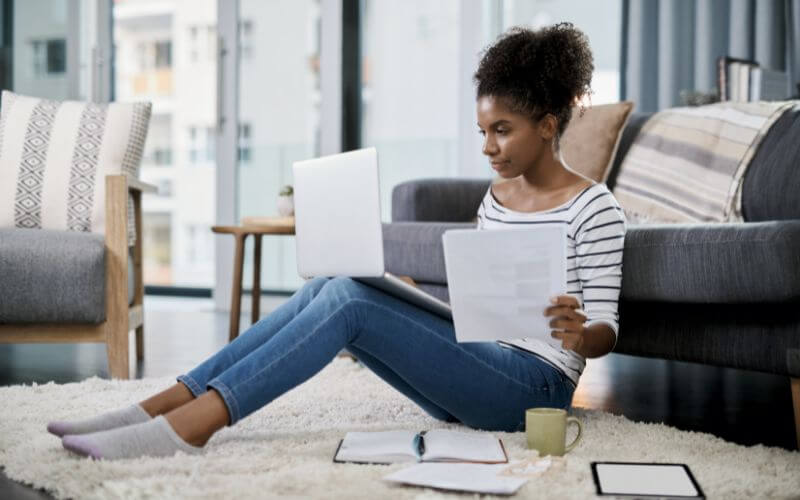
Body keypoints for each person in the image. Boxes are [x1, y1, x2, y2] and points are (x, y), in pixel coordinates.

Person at [48, 22, 625, 460]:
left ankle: (191, 426)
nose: (488, 147)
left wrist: (580, 331)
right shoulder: (494, 201)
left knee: (351, 301)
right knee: (339, 281)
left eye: (503, 131)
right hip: (478, 372)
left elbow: (605, 332)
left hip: (533, 391)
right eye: (482, 131)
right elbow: (483, 312)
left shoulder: (594, 207)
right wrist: (411, 303)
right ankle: (161, 403)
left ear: (548, 125)